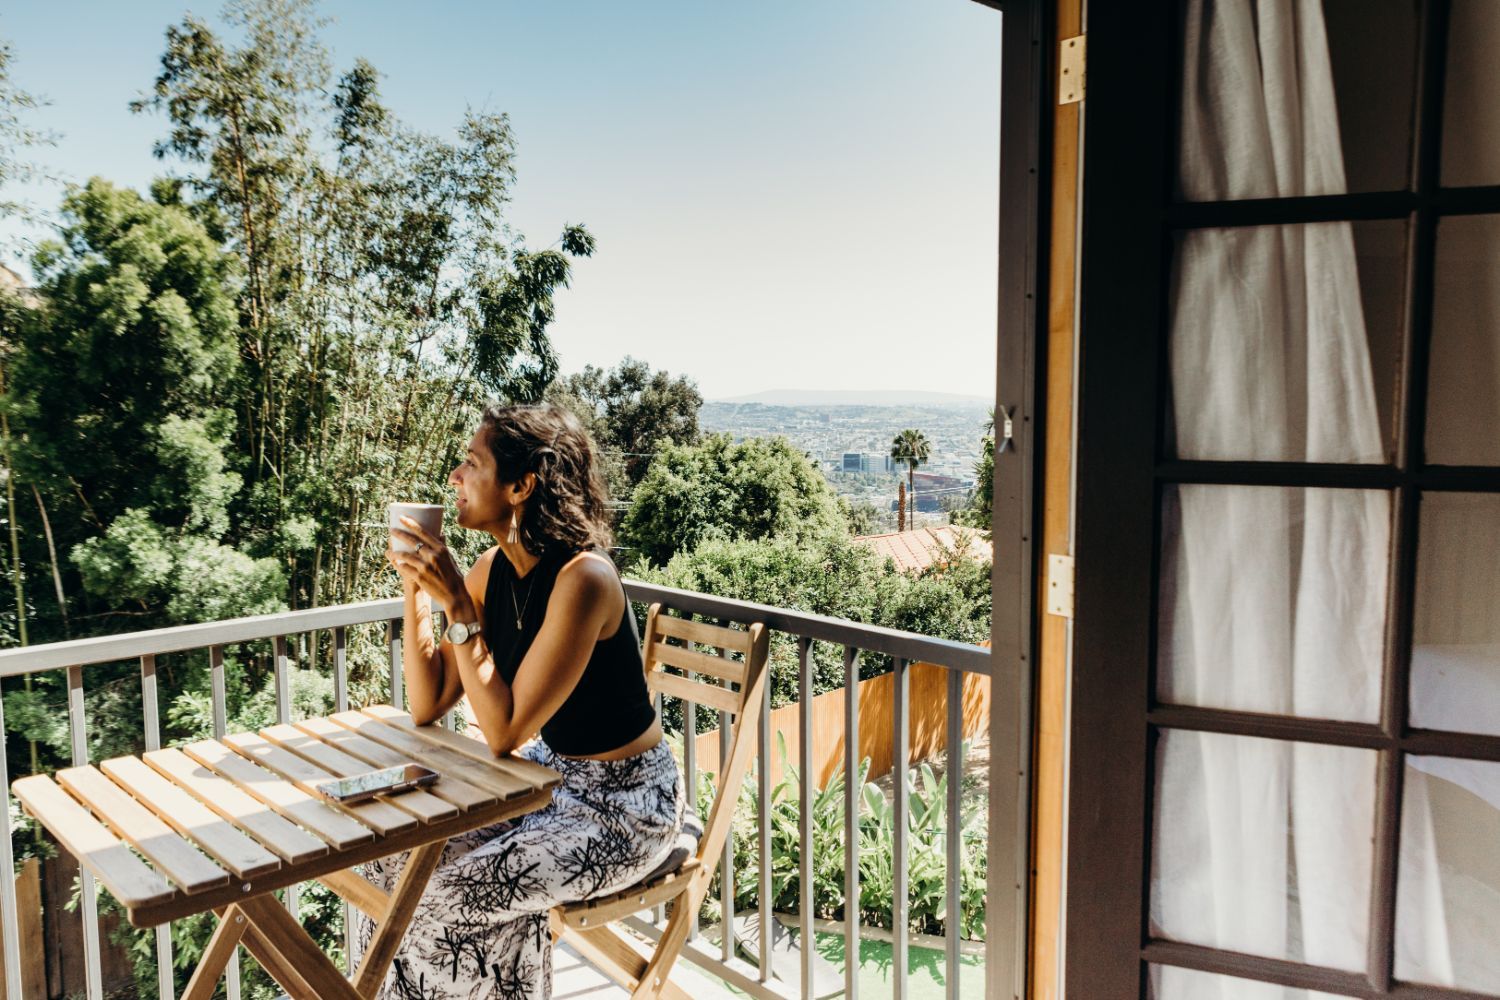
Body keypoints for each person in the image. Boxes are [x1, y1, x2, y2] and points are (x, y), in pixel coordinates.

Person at [365, 402, 683, 1000]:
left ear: (520, 487)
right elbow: (428, 704)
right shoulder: (493, 569)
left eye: (471, 463)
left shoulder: (584, 580)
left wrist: (458, 604)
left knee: (445, 898)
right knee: (386, 859)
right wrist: (416, 588)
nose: (455, 476)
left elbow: (504, 731)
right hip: (547, 781)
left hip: (624, 807)